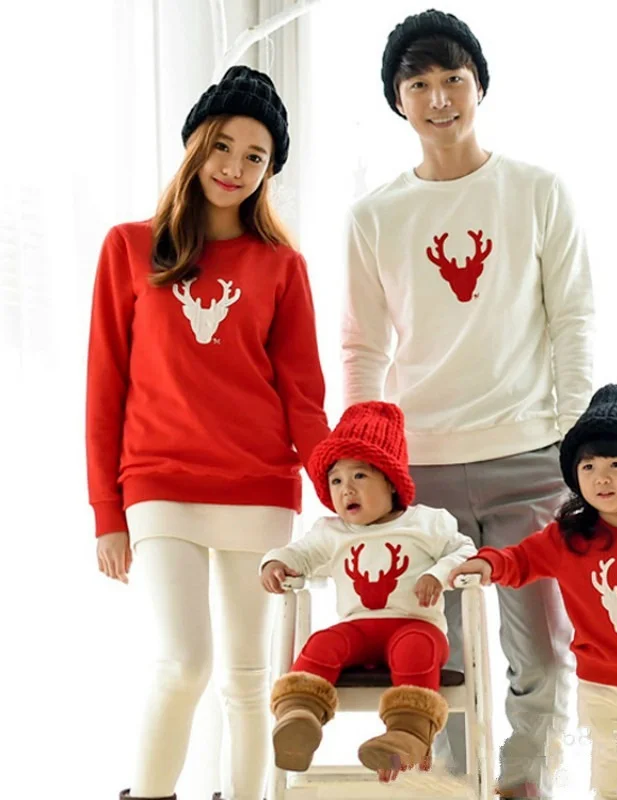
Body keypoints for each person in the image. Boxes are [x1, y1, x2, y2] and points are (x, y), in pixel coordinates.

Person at [342, 9, 595, 797]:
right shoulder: (374, 216)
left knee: (542, 648)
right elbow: (361, 348)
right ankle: (449, 784)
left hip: (530, 459)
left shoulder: (537, 192)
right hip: (420, 471)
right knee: (434, 656)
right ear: (398, 101)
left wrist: (577, 442)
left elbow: (573, 318)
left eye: (454, 78)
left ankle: (524, 781)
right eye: (418, 84)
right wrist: (363, 462)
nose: (440, 97)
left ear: (479, 85)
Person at [86, 65, 329, 800]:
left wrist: (344, 493)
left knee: (248, 678)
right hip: (159, 484)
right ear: (196, 145)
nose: (235, 167)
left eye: (256, 156)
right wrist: (106, 512)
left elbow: (304, 397)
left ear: (270, 171)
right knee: (183, 664)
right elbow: (104, 391)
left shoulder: (282, 266)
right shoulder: (129, 248)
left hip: (258, 488)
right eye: (223, 146)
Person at [449, 384, 617, 800]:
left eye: (616, 464)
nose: (601, 477)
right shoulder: (567, 540)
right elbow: (519, 560)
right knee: (610, 778)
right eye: (588, 466)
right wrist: (488, 564)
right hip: (599, 689)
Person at [260, 401, 477, 783]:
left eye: (359, 475)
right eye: (336, 481)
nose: (347, 489)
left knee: (416, 648)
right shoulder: (331, 531)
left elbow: (465, 551)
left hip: (416, 626)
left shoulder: (426, 522)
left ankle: (407, 734)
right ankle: (299, 715)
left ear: (391, 481)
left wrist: (439, 574)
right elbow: (300, 554)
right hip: (357, 629)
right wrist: (275, 562)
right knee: (323, 643)